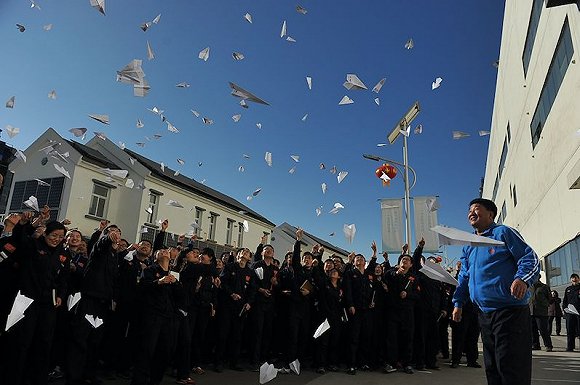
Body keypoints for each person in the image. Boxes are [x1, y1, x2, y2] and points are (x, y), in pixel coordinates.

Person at [452, 198, 540, 385]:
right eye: (469, 210)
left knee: (510, 367)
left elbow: (530, 258)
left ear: (490, 214)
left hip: (510, 311)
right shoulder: (469, 245)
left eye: (477, 209)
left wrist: (522, 278)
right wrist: (458, 303)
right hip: (484, 314)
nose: (471, 213)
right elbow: (464, 277)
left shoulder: (503, 233)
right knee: (492, 367)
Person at [529, 280, 553, 351]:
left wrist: (545, 304)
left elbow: (550, 299)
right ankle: (535, 345)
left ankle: (548, 345)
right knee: (533, 330)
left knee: (543, 330)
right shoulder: (529, 286)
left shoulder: (544, 287)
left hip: (541, 312)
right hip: (531, 311)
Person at [563, 273, 580, 351]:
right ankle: (570, 347)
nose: (574, 281)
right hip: (570, 313)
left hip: (579, 313)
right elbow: (565, 301)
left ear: (578, 279)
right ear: (571, 280)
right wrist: (565, 309)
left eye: (575, 279)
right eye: (573, 280)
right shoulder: (568, 289)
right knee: (570, 330)